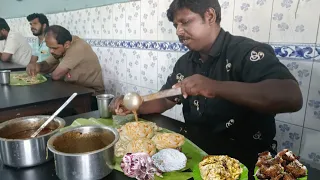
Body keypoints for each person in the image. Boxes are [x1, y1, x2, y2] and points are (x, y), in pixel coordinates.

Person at [109, 0, 303, 179]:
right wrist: (135, 105)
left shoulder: (245, 52)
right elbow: (166, 98)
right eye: (176, 25)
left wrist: (214, 87)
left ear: (210, 16)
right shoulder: (186, 63)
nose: (178, 31)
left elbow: (291, 96)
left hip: (246, 159)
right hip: (197, 153)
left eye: (185, 22)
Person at [26, 25, 104, 94]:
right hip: (72, 89)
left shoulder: (77, 48)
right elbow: (47, 64)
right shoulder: (60, 47)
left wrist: (50, 67)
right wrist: (37, 66)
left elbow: (56, 76)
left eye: (54, 48)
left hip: (91, 94)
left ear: (67, 45)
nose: (51, 51)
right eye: (49, 47)